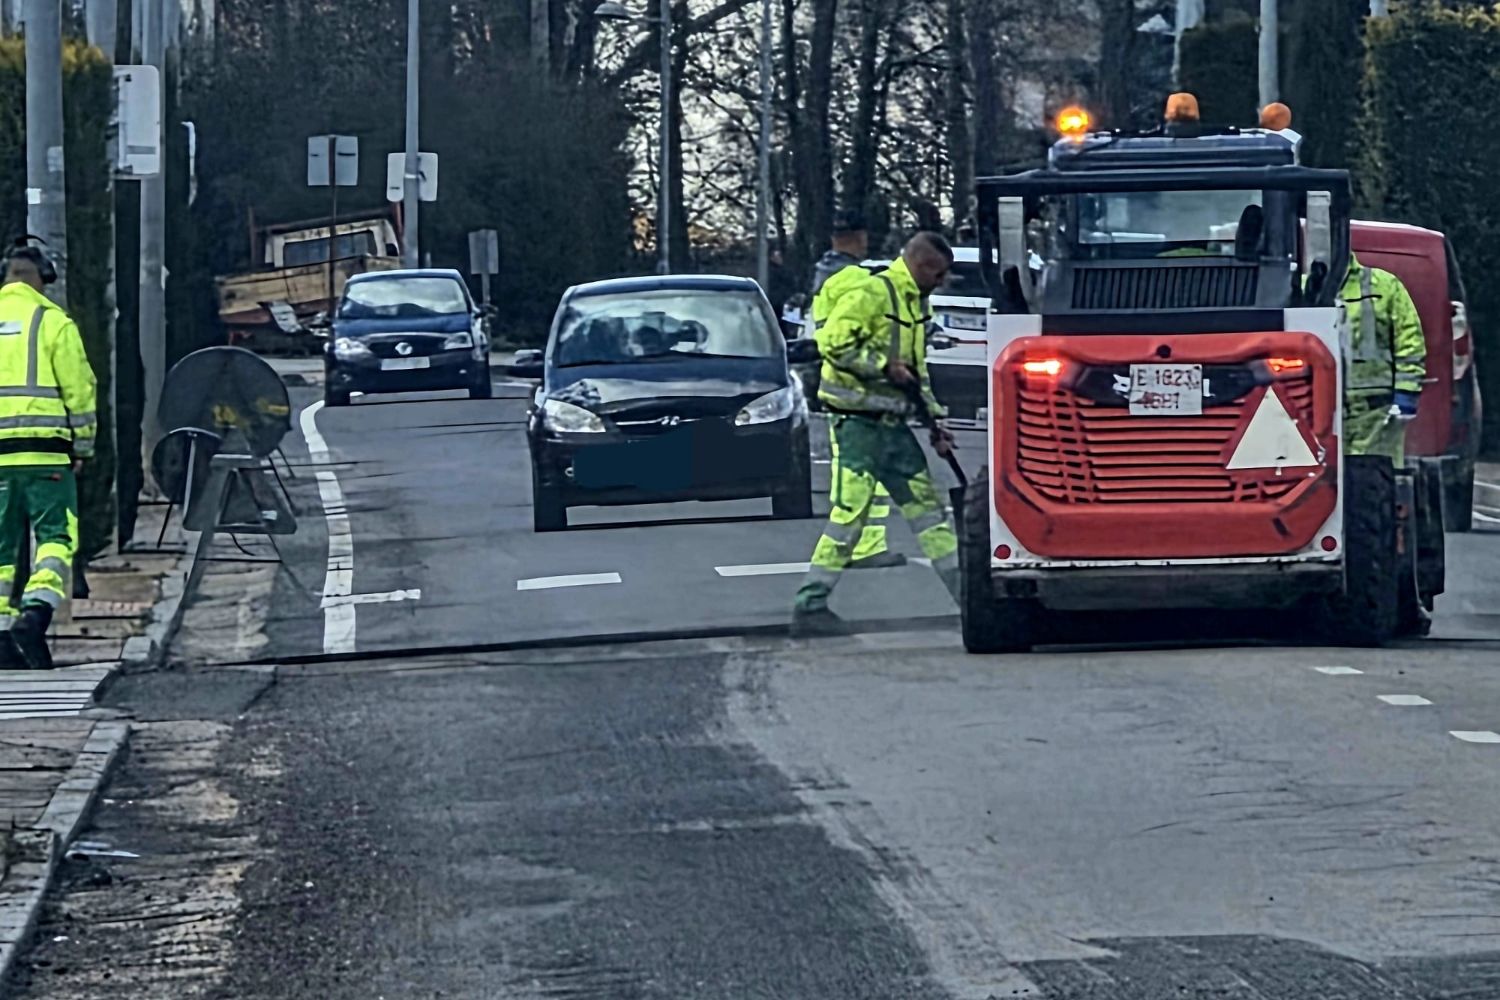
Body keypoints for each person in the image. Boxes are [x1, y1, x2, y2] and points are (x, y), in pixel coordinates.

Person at [794, 232, 961, 632]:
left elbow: (916, 373)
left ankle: (968, 598)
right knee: (849, 516)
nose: (941, 282)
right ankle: (809, 605)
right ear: (919, 265)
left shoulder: (915, 304)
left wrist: (936, 422)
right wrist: (882, 367)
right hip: (857, 425)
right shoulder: (873, 293)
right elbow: (832, 343)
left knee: (930, 515)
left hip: (891, 427)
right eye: (937, 274)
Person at [0, 240, 98, 670]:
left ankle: (4, 639)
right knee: (55, 540)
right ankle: (35, 615)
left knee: (2, 551)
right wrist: (84, 445)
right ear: (42, 278)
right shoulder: (54, 322)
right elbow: (80, 392)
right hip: (46, 455)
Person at [809, 210, 903, 570]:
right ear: (859, 237)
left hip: (838, 385)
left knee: (851, 470)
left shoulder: (825, 275)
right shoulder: (851, 279)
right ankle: (861, 548)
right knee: (863, 473)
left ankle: (857, 545)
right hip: (857, 388)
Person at [1340, 252, 1425, 463]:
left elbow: (1409, 341)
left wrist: (1405, 395)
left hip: (1377, 410)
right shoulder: (1303, 287)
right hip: (1324, 406)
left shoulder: (1384, 285)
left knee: (1374, 479)